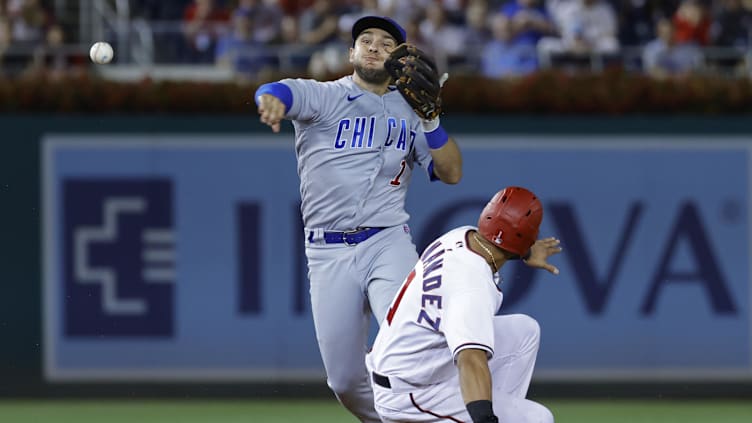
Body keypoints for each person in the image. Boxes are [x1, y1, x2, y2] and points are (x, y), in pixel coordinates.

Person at [254, 15, 463, 423]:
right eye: (365, 40)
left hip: (388, 241)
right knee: (346, 382)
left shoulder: (413, 109)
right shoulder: (324, 96)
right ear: (351, 53)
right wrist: (269, 100)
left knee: (408, 340)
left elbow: (452, 172)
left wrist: (433, 120)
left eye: (386, 43)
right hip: (327, 250)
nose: (373, 46)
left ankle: (456, 411)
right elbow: (277, 89)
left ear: (400, 59)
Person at [366, 186, 560, 423]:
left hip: (405, 366)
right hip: (411, 394)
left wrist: (524, 251)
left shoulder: (460, 236)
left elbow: (498, 243)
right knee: (538, 418)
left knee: (524, 331)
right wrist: (485, 419)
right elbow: (470, 359)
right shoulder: (472, 286)